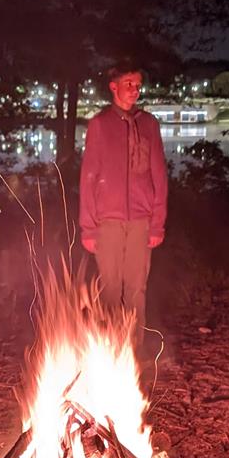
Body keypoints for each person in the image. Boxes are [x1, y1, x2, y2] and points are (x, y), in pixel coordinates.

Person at [78, 66, 168, 345]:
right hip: (108, 222)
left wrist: (157, 223)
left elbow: (159, 175)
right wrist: (88, 228)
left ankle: (133, 350)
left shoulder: (149, 124)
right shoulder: (100, 124)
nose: (134, 89)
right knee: (109, 289)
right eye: (128, 83)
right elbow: (89, 176)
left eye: (138, 84)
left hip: (142, 221)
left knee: (136, 289)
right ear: (113, 87)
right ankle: (110, 347)